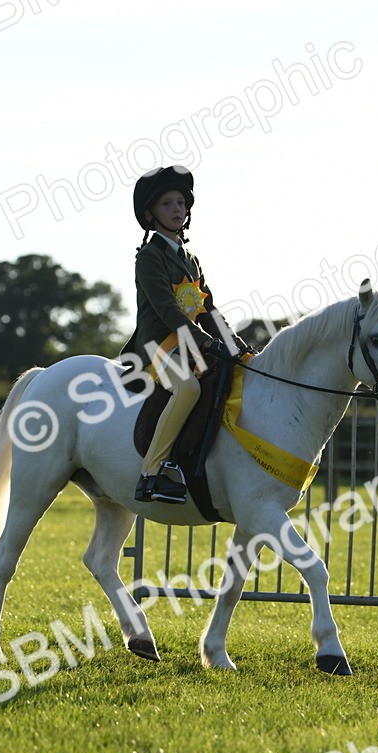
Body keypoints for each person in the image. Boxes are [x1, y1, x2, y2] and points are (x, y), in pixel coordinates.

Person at [120, 166, 251, 504]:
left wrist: (235, 345)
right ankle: (151, 474)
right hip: (158, 346)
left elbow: (209, 309)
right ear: (151, 213)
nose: (177, 209)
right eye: (167, 203)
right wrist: (209, 343)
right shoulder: (149, 258)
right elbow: (169, 312)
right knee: (189, 387)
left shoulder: (191, 259)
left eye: (181, 202)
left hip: (191, 347)